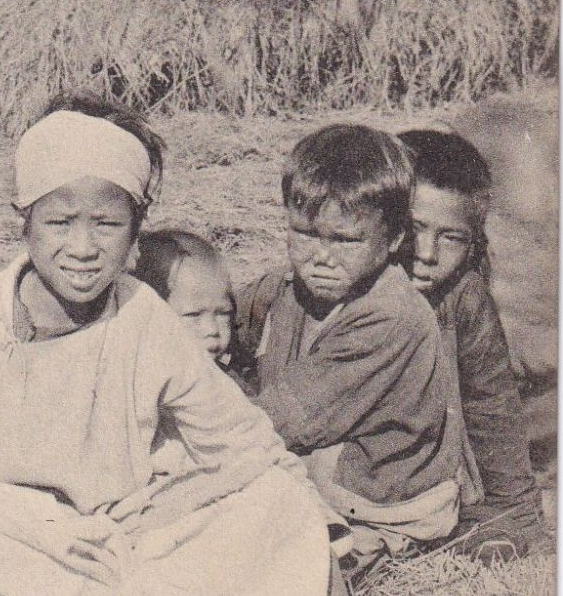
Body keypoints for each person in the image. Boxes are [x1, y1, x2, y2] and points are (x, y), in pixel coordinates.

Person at [0, 98, 341, 596]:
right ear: (24, 224)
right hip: (20, 539)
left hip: (123, 539)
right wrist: (14, 562)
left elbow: (245, 444)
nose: (82, 248)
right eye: (59, 221)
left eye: (106, 223)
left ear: (136, 235)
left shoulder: (145, 319)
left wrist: (324, 553)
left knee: (281, 501)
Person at [237, 125, 473, 567]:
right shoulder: (291, 286)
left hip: (377, 500)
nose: (321, 256)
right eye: (305, 233)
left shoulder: (389, 316)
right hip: (325, 467)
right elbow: (227, 314)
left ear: (394, 240)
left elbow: (282, 422)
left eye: (346, 240)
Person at [399, 128, 545, 560]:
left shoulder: (463, 299)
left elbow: (492, 408)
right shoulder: (340, 276)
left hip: (429, 482)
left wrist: (517, 517)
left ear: (474, 242)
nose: (426, 252)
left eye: (451, 238)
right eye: (414, 229)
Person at [132, 228, 248, 389]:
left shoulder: (227, 384)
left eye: (223, 313)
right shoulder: (136, 384)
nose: (212, 329)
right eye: (193, 315)